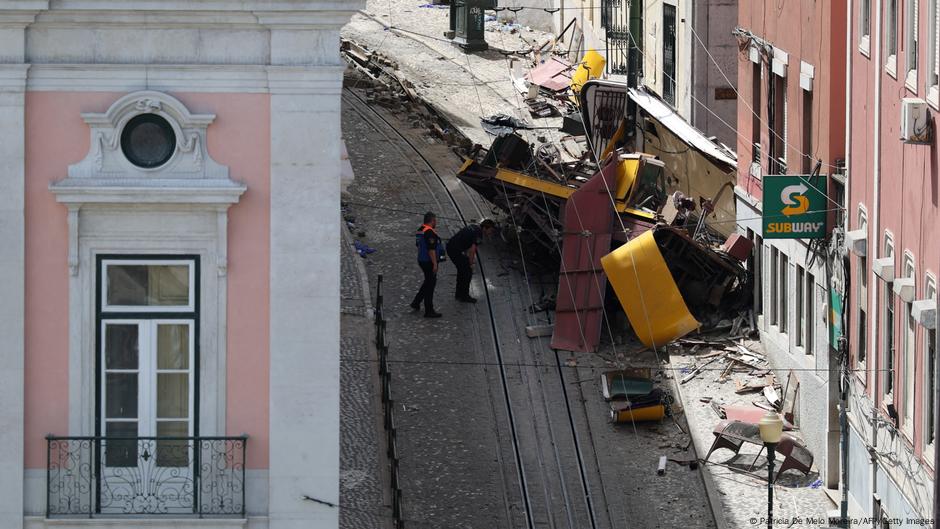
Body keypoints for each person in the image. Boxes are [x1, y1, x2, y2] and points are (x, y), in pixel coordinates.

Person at [445, 219, 496, 303]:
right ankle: (464, 296)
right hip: (455, 250)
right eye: (491, 230)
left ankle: (459, 294)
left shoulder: (474, 227)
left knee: (462, 271)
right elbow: (472, 251)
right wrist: (471, 264)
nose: (491, 233)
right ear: (485, 228)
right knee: (467, 273)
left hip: (452, 247)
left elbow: (466, 241)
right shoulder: (478, 234)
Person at [410, 212, 445, 318]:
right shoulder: (429, 232)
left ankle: (416, 302)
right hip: (428, 261)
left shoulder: (421, 229)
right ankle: (429, 310)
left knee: (427, 282)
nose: (436, 222)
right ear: (432, 221)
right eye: (435, 220)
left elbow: (418, 244)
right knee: (430, 285)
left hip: (422, 259)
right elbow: (431, 250)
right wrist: (434, 264)